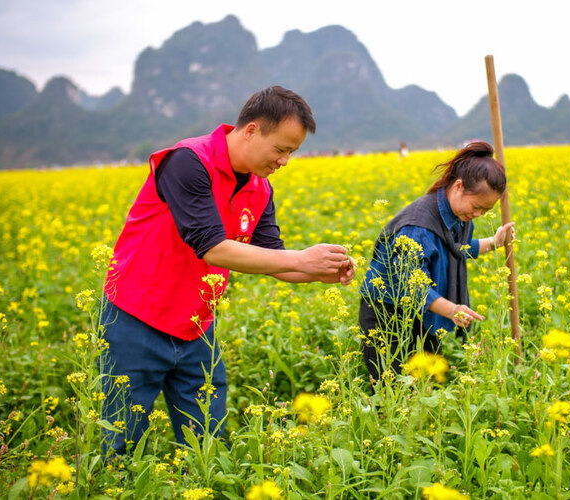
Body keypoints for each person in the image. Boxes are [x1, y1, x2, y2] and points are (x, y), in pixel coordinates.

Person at [100, 86, 355, 455]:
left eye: (292, 153)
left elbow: (273, 258)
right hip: (135, 319)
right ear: (251, 131)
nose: (284, 161)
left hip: (196, 326)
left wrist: (320, 271)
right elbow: (212, 248)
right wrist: (302, 259)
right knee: (118, 443)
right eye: (281, 149)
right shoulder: (188, 161)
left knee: (207, 445)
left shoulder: (260, 187)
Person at [359, 141, 514, 381]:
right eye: (476, 207)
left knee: (427, 383)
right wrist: (452, 310)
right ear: (459, 186)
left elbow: (457, 249)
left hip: (422, 312)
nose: (477, 215)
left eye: (484, 211)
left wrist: (494, 242)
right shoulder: (418, 227)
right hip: (387, 314)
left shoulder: (456, 216)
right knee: (391, 389)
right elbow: (412, 284)